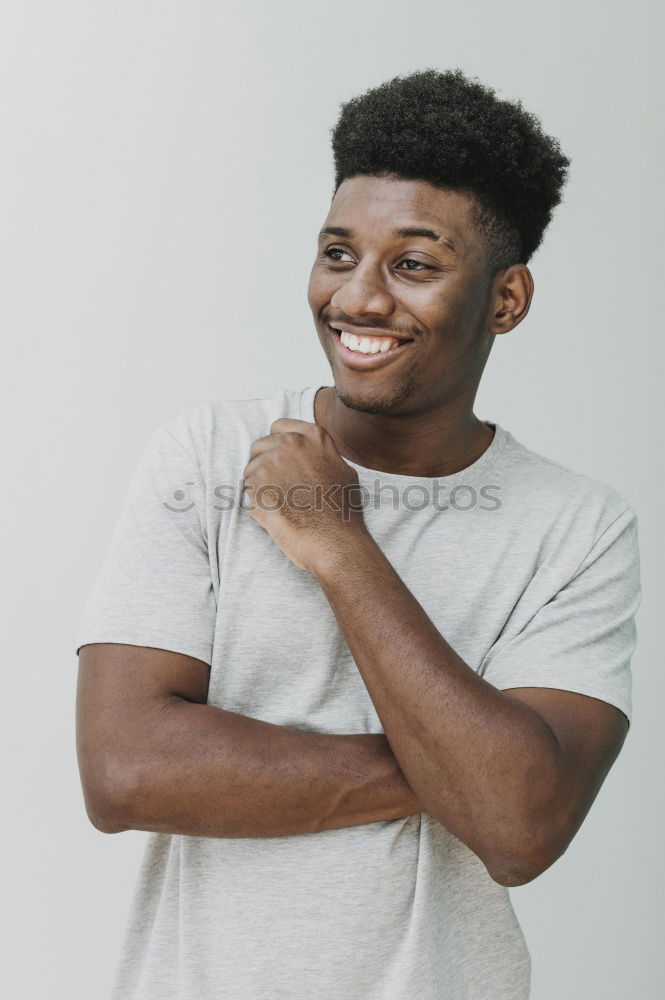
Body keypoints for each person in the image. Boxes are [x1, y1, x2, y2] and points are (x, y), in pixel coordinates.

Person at [75, 67, 641, 1000]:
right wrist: (462, 766)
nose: (360, 300)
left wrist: (340, 545)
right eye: (338, 254)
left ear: (505, 300)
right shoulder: (208, 457)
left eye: (413, 264)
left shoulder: (577, 527)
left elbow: (521, 835)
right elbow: (125, 771)